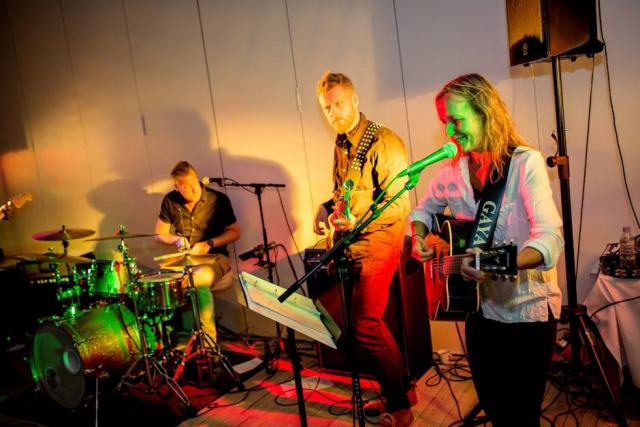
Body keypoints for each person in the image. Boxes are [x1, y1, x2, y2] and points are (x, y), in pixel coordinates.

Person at [410, 73, 564, 426]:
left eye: (456, 120)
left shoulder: (524, 163)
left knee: (521, 417)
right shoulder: (451, 173)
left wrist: (496, 264)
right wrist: (419, 237)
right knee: (497, 411)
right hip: (480, 310)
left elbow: (549, 239)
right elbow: (422, 212)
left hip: (527, 312)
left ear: (484, 113)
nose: (450, 131)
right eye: (444, 122)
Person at [314, 72, 414, 426]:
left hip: (379, 240)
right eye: (327, 108)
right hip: (354, 241)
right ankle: (402, 389)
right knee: (360, 324)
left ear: (355, 100)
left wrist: (354, 222)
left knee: (366, 326)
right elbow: (346, 193)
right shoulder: (342, 144)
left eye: (338, 104)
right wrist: (327, 208)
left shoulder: (383, 141)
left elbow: (399, 205)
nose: (333, 113)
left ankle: (400, 406)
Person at [155, 161, 241, 343]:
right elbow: (160, 234)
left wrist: (209, 243)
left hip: (215, 257)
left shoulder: (218, 199)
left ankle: (209, 345)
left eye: (195, 183)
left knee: (198, 281)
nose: (194, 189)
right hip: (185, 259)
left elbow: (235, 232)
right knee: (159, 283)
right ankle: (171, 342)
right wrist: (176, 239)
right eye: (187, 187)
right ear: (177, 187)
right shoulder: (170, 201)